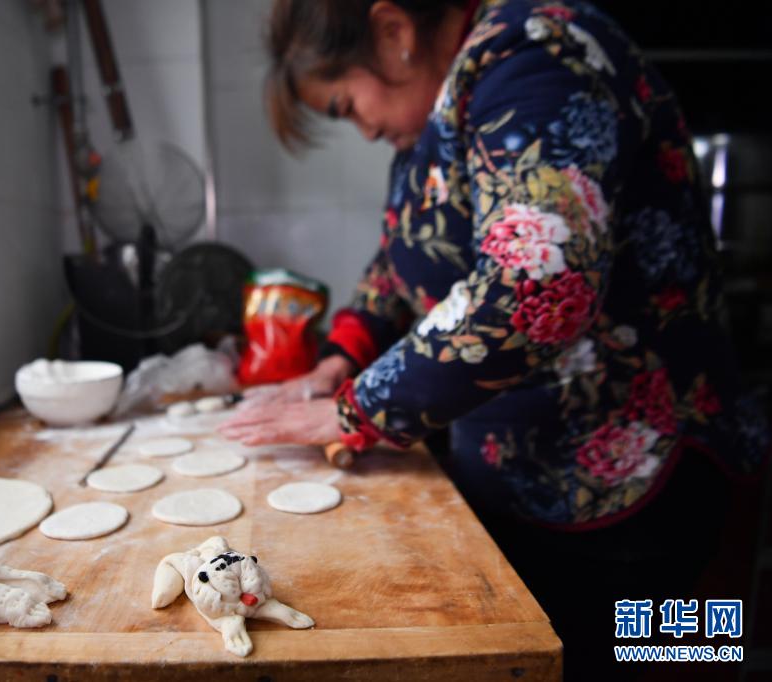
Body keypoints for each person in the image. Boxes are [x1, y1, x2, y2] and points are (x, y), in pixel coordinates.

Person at [219, 0, 770, 679]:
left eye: (345, 105)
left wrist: (356, 410)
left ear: (393, 33)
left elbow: (535, 283)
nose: (363, 129)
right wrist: (339, 360)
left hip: (643, 500)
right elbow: (399, 264)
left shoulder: (534, 58)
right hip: (526, 489)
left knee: (664, 663)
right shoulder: (439, 121)